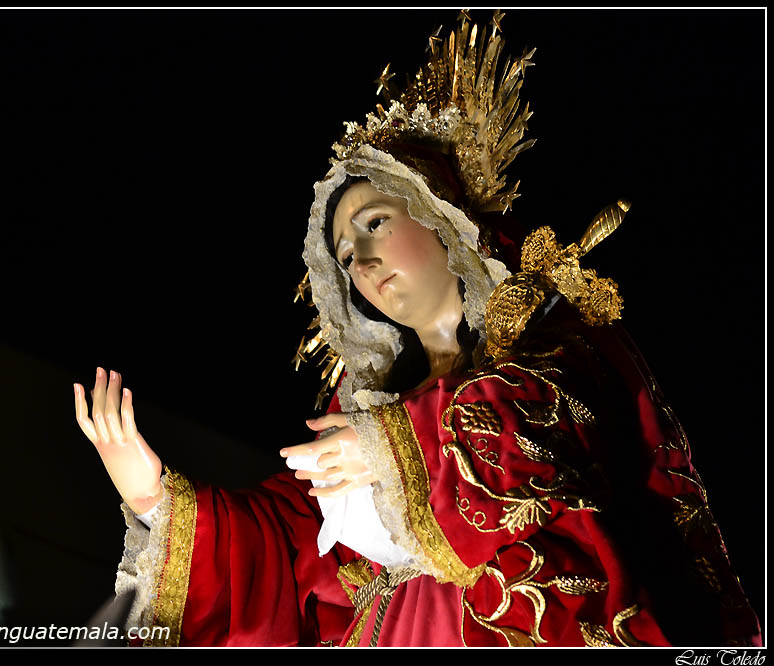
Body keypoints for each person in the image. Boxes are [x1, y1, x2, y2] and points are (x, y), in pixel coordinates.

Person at [72, 12, 762, 647]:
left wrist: (397, 452)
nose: (363, 263)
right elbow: (286, 540)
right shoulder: (367, 410)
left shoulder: (541, 345)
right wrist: (156, 497)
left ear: (441, 219)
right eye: (346, 256)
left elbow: (544, 427)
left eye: (375, 224)